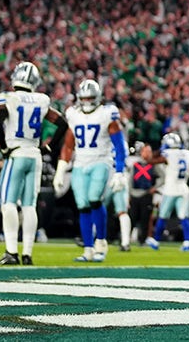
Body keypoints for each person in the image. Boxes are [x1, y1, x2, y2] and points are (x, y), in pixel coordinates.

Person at [0, 61, 64, 266]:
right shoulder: (41, 100)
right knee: (30, 205)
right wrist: (48, 147)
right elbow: (62, 124)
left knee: (9, 203)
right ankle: (28, 253)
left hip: (17, 153)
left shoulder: (10, 97)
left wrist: (4, 147)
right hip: (35, 155)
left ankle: (11, 252)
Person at [54, 78, 126, 263]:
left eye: (90, 98)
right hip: (80, 164)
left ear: (97, 97)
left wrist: (119, 171)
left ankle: (101, 242)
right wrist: (61, 169)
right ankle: (88, 248)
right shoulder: (73, 114)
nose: (86, 102)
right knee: (82, 205)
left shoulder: (106, 114)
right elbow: (69, 145)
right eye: (83, 98)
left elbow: (119, 146)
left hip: (101, 161)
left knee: (95, 199)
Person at [147, 133, 189, 251]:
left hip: (170, 189)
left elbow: (151, 161)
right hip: (183, 188)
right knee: (184, 217)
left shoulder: (168, 154)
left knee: (162, 216)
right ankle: (187, 243)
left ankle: (156, 241)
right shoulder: (187, 153)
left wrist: (160, 150)